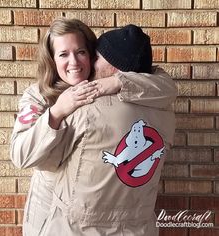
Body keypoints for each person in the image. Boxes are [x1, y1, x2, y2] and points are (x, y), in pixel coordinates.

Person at [11, 20, 176, 236]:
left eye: (81, 52)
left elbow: (166, 84)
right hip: (47, 214)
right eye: (63, 54)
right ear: (51, 59)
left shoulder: (108, 89)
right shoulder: (39, 95)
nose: (74, 62)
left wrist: (119, 82)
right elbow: (21, 155)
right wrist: (57, 111)